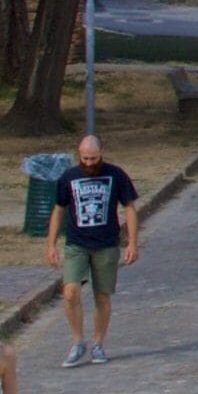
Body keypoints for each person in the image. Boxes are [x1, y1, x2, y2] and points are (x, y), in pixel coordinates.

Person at [47, 133, 140, 365]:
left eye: (93, 158)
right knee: (70, 291)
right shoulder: (69, 177)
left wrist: (132, 242)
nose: (89, 163)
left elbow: (129, 207)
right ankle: (78, 341)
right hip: (76, 243)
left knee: (102, 295)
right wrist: (50, 244)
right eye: (85, 158)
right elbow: (58, 210)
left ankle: (98, 343)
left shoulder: (116, 175)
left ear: (102, 154)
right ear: (79, 155)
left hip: (106, 243)